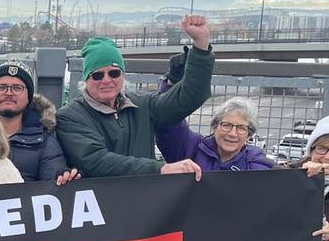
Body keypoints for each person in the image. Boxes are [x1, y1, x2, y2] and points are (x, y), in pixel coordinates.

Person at [56, 15, 215, 179]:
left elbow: (188, 97)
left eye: (114, 73)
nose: (106, 80)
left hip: (144, 194)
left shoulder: (144, 105)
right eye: (97, 75)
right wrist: (159, 169)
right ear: (86, 80)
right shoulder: (70, 116)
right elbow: (96, 161)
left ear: (123, 76)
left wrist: (201, 45)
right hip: (101, 195)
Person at [156, 97, 275, 171]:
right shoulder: (194, 147)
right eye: (226, 125)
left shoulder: (254, 163)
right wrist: (172, 83)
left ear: (248, 135)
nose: (232, 133)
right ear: (214, 126)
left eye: (241, 128)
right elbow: (170, 124)